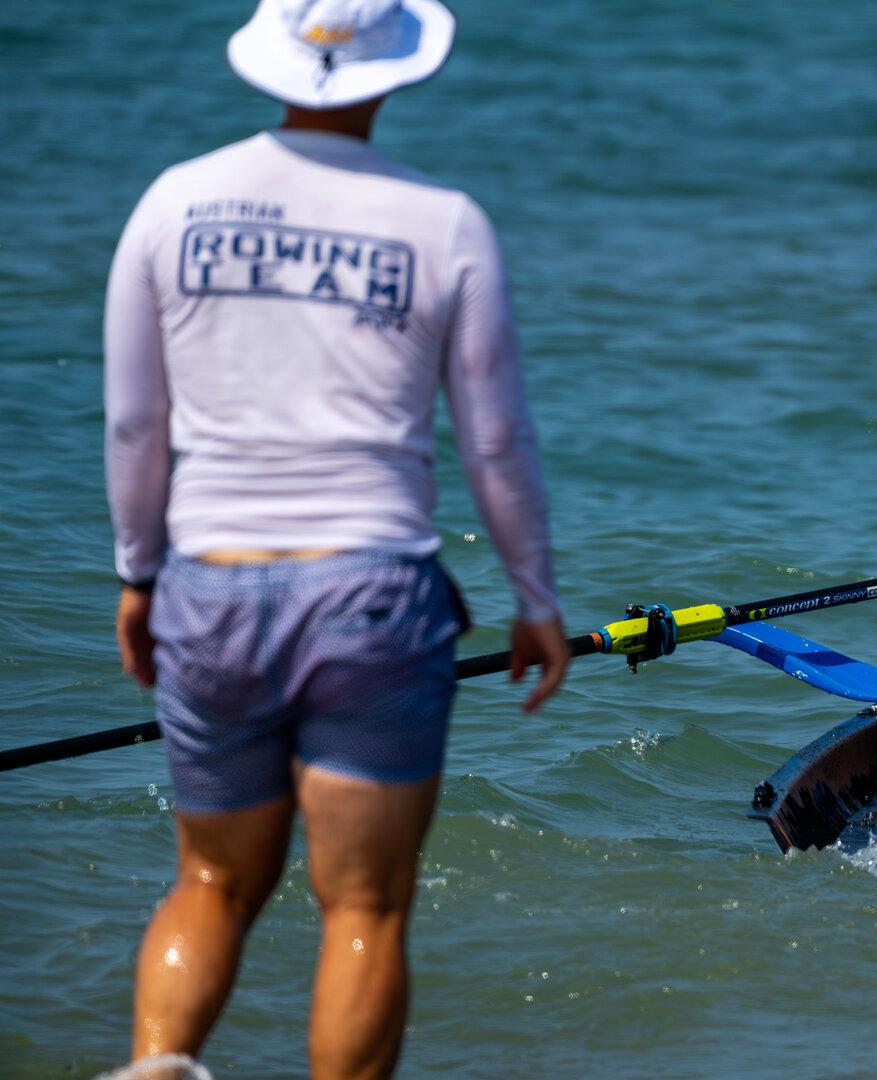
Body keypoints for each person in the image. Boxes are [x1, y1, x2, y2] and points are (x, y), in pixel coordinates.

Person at [103, 1, 569, 1075]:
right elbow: (496, 440)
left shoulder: (175, 201)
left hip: (209, 583)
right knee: (362, 906)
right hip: (370, 596)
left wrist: (138, 579)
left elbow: (136, 423)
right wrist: (534, 598)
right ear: (396, 66)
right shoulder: (443, 220)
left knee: (210, 883)